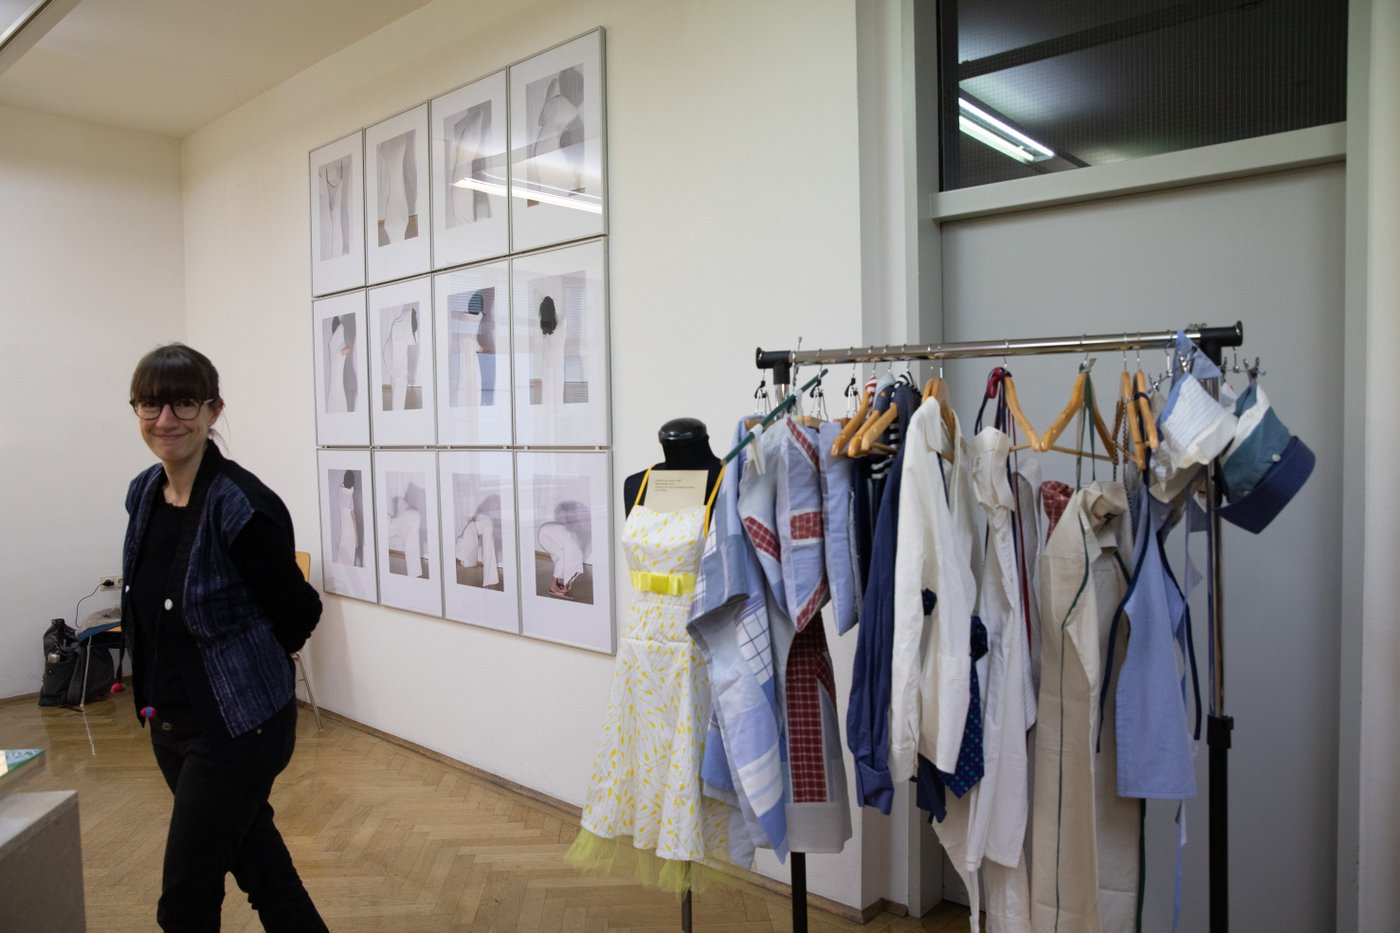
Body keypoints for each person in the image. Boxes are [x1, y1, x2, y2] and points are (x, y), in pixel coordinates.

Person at [121, 343, 326, 932]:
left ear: (214, 410)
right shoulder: (142, 494)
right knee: (261, 867)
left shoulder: (243, 507)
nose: (166, 421)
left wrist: (246, 670)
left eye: (184, 403)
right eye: (151, 405)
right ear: (136, 410)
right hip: (170, 722)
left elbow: (298, 610)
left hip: (238, 730)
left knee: (184, 900)